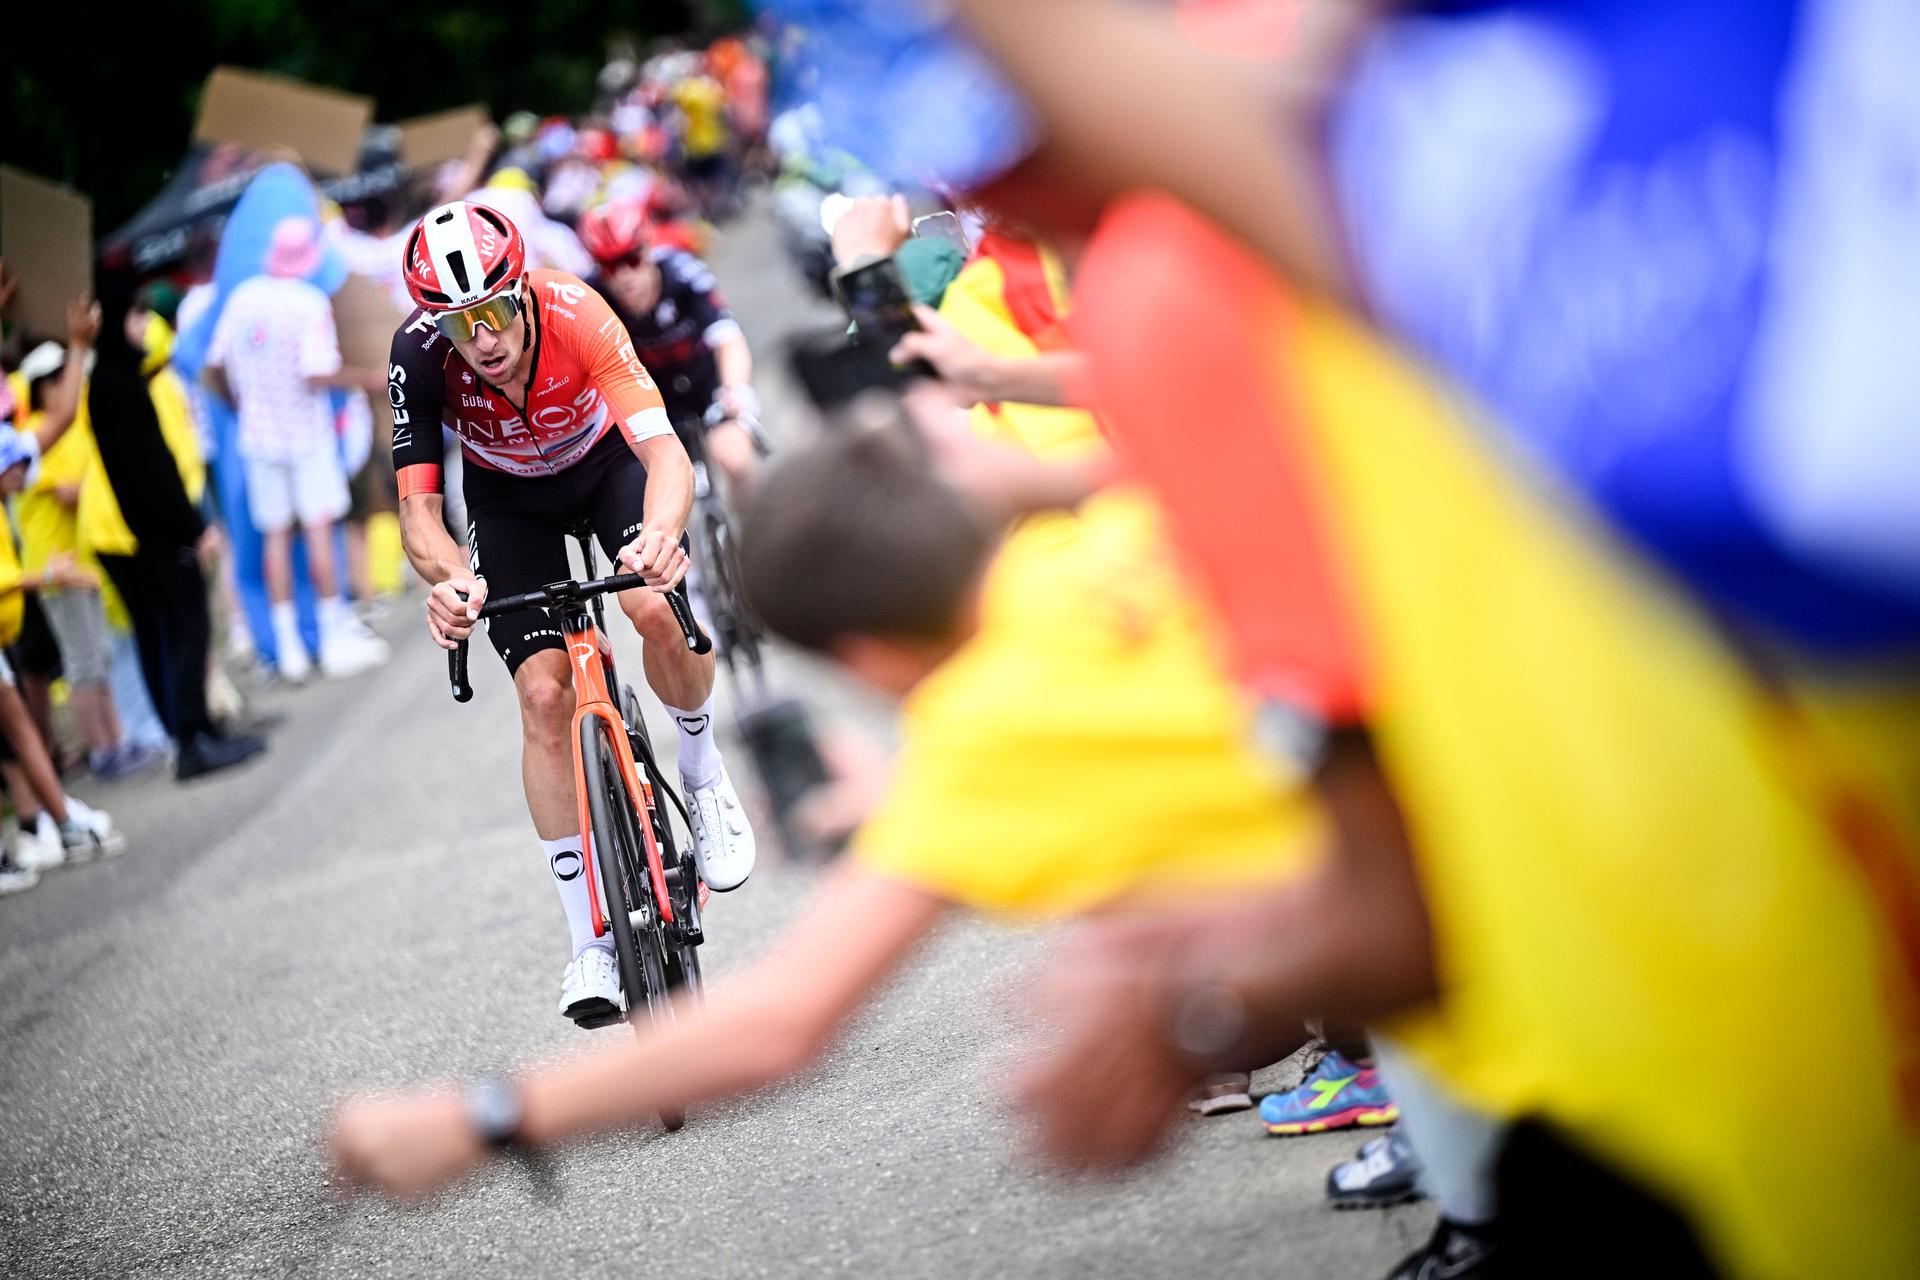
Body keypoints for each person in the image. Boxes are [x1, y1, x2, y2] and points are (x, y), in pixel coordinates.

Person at [329, 412, 1324, 1197]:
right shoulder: (1122, 533)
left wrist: (483, 1117)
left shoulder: (983, 740)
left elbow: (779, 1020)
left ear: (866, 658)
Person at [386, 199, 757, 1024]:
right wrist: (449, 580)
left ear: (519, 289)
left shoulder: (577, 310)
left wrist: (661, 536)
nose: (480, 338)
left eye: (490, 311)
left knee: (656, 607)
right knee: (544, 694)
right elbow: (419, 510)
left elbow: (664, 453)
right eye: (457, 324)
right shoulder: (416, 355)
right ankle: (589, 943)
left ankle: (701, 773)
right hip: (506, 498)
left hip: (603, 466)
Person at [90, 273, 267, 783]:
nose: (142, 326)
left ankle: (201, 730)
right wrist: (194, 526)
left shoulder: (113, 381)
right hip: (164, 532)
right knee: (189, 630)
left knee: (184, 630)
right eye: (134, 316)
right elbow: (155, 468)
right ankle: (192, 738)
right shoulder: (120, 385)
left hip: (150, 531)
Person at [204, 215, 390, 681]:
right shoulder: (308, 302)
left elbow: (214, 365)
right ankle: (331, 636)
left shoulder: (242, 298)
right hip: (306, 435)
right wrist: (363, 379)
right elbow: (314, 370)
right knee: (320, 531)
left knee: (277, 537)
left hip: (258, 436)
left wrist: (241, 403)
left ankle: (288, 647)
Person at [576, 198, 761, 496]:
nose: (624, 276)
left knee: (735, 459)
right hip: (649, 398)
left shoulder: (683, 274)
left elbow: (728, 339)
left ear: (648, 249)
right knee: (656, 492)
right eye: (609, 266)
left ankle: (755, 533)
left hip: (706, 383)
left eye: (631, 259)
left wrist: (735, 388)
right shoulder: (589, 296)